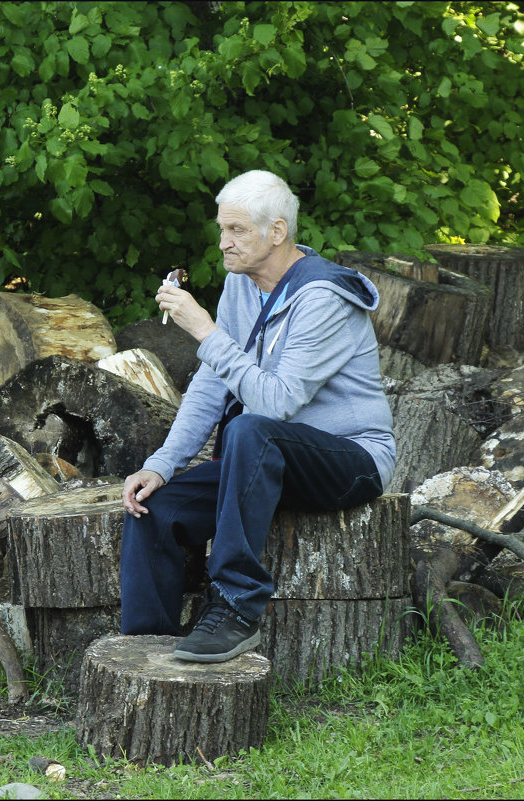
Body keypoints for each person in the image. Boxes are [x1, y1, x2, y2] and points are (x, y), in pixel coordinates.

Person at [120, 169, 396, 663]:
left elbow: (278, 404)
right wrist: (162, 463)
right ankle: (146, 650)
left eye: (238, 231)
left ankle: (235, 606)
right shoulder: (241, 286)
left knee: (251, 427)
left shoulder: (323, 297)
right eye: (222, 230)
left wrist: (205, 332)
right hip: (266, 461)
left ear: (277, 232)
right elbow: (211, 383)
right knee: (155, 510)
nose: (223, 244)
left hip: (350, 460)